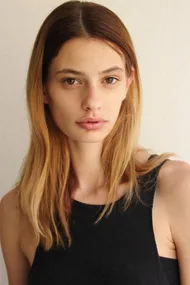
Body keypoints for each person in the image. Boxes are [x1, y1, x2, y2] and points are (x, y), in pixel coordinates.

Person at [0, 1, 190, 284]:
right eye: (71, 81)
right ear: (43, 88)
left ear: (128, 83)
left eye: (109, 79)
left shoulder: (177, 189)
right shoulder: (18, 210)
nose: (92, 102)